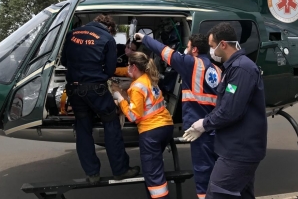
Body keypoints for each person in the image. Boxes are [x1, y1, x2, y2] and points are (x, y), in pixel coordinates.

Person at [134, 32, 221, 199]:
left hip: (199, 129)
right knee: (217, 170)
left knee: (203, 172)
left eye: (187, 47)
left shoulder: (191, 63)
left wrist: (144, 38)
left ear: (194, 49)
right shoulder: (217, 69)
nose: (185, 50)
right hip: (215, 127)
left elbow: (164, 51)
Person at [185, 22, 267, 199]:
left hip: (238, 152)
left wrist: (204, 124)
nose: (211, 51)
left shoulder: (241, 69)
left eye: (213, 46)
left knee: (217, 194)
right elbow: (227, 105)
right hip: (236, 149)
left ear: (223, 44)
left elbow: (230, 111)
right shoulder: (234, 68)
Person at [61, 14, 140, 185]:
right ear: (110, 28)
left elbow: (64, 61)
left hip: (74, 88)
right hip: (96, 88)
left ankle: (92, 174)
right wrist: (98, 77)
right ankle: (120, 170)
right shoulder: (106, 38)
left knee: (83, 129)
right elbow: (110, 68)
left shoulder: (71, 34)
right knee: (111, 124)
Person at [112, 52, 174, 199]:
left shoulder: (137, 87)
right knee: (155, 169)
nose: (127, 68)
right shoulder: (148, 78)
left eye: (128, 65)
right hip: (165, 126)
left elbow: (134, 116)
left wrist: (120, 99)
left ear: (134, 67)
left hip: (151, 131)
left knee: (154, 179)